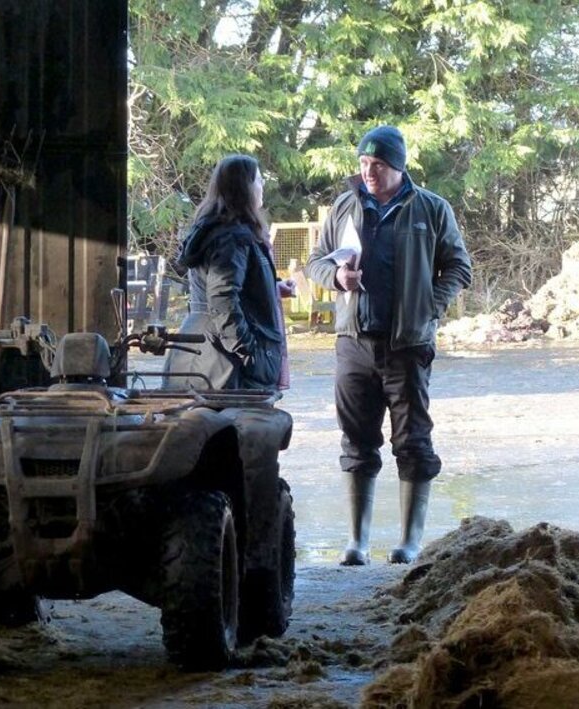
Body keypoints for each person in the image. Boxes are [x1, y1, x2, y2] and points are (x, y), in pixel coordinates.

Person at [305, 125, 472, 565]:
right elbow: (316, 263)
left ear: (398, 165)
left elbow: (458, 266)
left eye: (377, 165)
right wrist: (336, 277)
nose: (369, 172)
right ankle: (356, 542)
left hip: (406, 345)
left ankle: (409, 542)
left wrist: (428, 307)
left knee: (412, 440)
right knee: (356, 441)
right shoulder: (344, 207)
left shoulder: (431, 209)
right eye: (363, 164)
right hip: (353, 342)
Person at [164, 154, 289, 391]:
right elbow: (222, 298)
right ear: (245, 188)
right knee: (231, 425)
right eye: (259, 180)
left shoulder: (214, 230)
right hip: (223, 360)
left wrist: (271, 288)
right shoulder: (233, 237)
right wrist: (246, 350)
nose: (263, 187)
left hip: (202, 346)